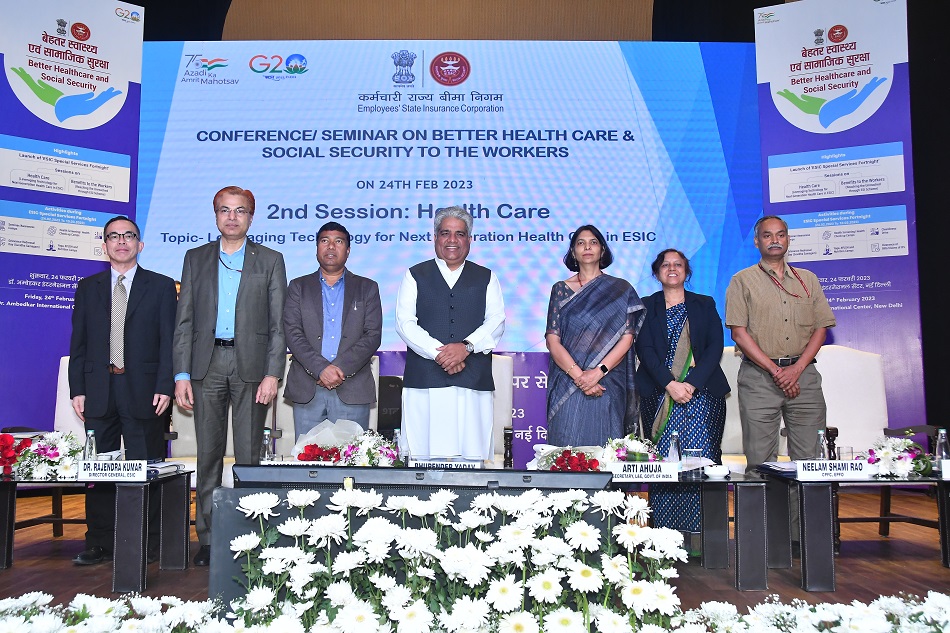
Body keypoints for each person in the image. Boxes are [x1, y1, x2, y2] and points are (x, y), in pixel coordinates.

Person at [173, 186, 287, 566]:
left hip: (251, 367)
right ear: (216, 215)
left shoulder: (270, 260)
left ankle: (250, 533)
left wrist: (273, 373)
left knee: (249, 455)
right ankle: (208, 538)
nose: (232, 217)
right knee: (207, 456)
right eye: (225, 210)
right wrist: (182, 374)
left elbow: (278, 325)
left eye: (240, 211)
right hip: (206, 366)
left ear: (251, 217)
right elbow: (184, 321)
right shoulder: (196, 258)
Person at [68, 216, 177, 565]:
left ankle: (148, 540)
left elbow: (169, 342)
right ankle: (100, 542)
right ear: (105, 246)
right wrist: (77, 388)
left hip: (145, 389)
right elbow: (79, 341)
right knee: (98, 470)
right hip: (99, 389)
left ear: (140, 244)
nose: (121, 241)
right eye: (113, 236)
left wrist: (165, 385)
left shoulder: (161, 286)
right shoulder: (88, 287)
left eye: (128, 236)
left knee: (147, 466)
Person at [395, 205, 505, 464]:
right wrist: (441, 354)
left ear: (470, 239)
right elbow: (404, 323)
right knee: (423, 461)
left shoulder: (487, 277)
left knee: (471, 461)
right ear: (435, 237)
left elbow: (497, 320)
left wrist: (465, 347)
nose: (452, 240)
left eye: (460, 234)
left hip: (472, 382)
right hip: (424, 382)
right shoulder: (414, 274)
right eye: (445, 233)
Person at [725, 215, 835, 473]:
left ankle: (802, 504)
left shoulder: (808, 280)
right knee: (760, 463)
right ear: (756, 242)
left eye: (780, 234)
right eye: (767, 235)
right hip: (760, 379)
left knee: (810, 463)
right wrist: (777, 372)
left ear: (788, 239)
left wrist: (795, 370)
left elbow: (821, 329)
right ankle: (765, 504)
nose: (774, 240)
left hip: (804, 377)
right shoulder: (742, 280)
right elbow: (738, 333)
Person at [636, 248, 730, 543]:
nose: (672, 269)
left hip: (701, 393)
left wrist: (691, 384)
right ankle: (664, 538)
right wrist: (670, 384)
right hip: (660, 393)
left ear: (687, 271)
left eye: (678, 264)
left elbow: (715, 346)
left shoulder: (704, 303)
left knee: (701, 460)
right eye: (666, 265)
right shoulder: (645, 306)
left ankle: (703, 540)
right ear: (657, 272)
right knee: (664, 465)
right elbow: (644, 350)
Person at [545, 225, 645, 447]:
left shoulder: (621, 289)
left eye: (593, 242)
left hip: (607, 382)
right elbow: (552, 340)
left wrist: (597, 373)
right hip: (568, 382)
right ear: (573, 252)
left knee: (606, 451)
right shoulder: (560, 289)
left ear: (602, 250)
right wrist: (581, 377)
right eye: (580, 243)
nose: (587, 247)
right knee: (567, 453)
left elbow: (627, 338)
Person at [283, 222, 382, 437]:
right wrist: (321, 369)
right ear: (317, 248)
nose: (330, 247)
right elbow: (292, 333)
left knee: (352, 456)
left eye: (338, 241)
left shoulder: (367, 288)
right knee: (307, 456)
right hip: (308, 388)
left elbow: (372, 336)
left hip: (352, 388)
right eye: (324, 241)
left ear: (348, 250)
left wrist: (338, 369)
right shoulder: (298, 287)